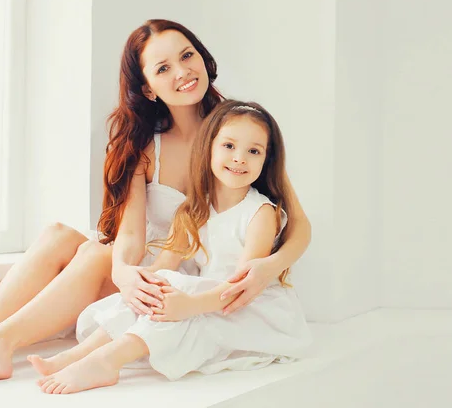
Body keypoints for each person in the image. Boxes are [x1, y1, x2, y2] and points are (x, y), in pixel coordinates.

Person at [0, 19, 311, 391]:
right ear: (148, 86)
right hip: (147, 270)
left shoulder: (236, 133)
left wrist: (268, 268)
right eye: (163, 67)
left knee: (96, 252)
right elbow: (130, 236)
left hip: (188, 275)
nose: (183, 72)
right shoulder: (143, 143)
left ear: (203, 58)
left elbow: (295, 221)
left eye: (187, 56)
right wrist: (125, 272)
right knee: (62, 236)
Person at [28, 100, 311, 394]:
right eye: (229, 146)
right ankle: (78, 354)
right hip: (208, 297)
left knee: (181, 302)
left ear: (266, 160)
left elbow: (242, 288)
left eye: (254, 151)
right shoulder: (193, 209)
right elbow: (163, 266)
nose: (239, 158)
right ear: (209, 148)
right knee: (159, 284)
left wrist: (188, 305)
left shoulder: (260, 213)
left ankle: (107, 361)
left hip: (248, 309)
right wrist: (143, 287)